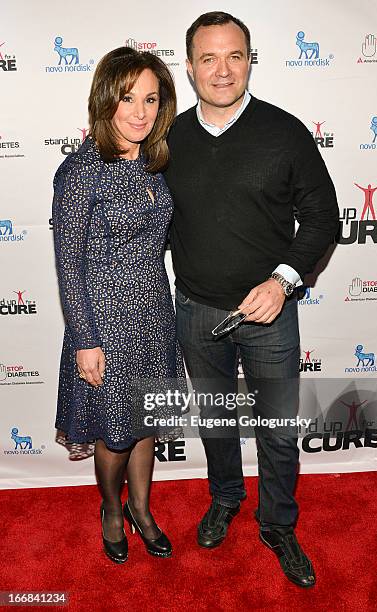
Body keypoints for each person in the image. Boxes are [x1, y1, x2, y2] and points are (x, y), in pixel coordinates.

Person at [164, 12, 339, 588]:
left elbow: (321, 218)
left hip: (270, 312)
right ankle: (224, 498)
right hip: (194, 310)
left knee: (279, 428)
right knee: (215, 421)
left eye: (234, 55)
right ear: (188, 67)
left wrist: (283, 279)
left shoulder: (285, 132)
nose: (222, 69)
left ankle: (279, 524)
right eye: (208, 58)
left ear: (250, 60)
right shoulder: (167, 140)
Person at [52, 46, 184, 564]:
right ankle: (112, 510)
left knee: (146, 421)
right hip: (105, 321)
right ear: (106, 100)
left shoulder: (156, 162)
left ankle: (143, 511)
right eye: (128, 98)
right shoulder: (82, 170)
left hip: (155, 312)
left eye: (151, 99)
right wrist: (85, 339)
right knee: (114, 429)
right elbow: (69, 263)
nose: (139, 111)